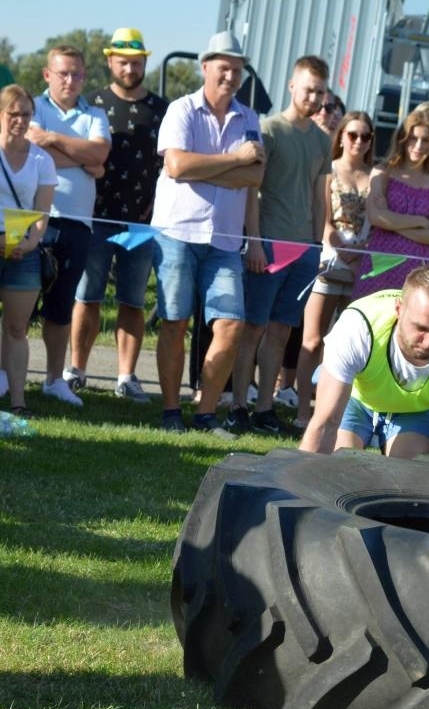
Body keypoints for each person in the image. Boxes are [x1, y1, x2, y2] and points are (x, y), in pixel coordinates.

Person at [151, 31, 265, 434]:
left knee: (231, 325)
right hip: (177, 232)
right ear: (205, 67)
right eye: (224, 68)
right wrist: (232, 161)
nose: (231, 76)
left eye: (237, 69)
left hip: (226, 241)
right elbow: (177, 168)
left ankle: (204, 412)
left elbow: (254, 176)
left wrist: (217, 169)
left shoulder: (249, 118)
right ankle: (170, 412)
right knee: (174, 322)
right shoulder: (181, 110)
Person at [64, 28, 168, 401]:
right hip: (93, 216)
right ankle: (76, 369)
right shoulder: (90, 104)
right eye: (123, 61)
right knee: (87, 297)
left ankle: (126, 375)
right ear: (110, 61)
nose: (129, 68)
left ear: (144, 62)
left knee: (133, 301)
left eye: (136, 62)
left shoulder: (161, 109)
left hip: (141, 221)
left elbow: (167, 164)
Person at [230, 55, 331, 435]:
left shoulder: (323, 140)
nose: (314, 97)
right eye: (308, 89)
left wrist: (317, 246)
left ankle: (265, 408)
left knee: (281, 331)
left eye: (320, 92)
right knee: (252, 327)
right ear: (292, 86)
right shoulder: (268, 129)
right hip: (268, 244)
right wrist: (254, 243)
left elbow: (319, 198)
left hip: (303, 250)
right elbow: (252, 192)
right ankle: (238, 404)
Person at [298, 263, 429, 462]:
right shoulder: (358, 327)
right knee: (342, 464)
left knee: (410, 475)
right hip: (355, 398)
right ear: (399, 308)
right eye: (420, 328)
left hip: (415, 411)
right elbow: (325, 424)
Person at [28, 45, 111, 407]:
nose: (70, 80)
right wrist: (82, 158)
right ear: (48, 75)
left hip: (78, 224)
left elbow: (100, 155)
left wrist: (52, 140)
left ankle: (53, 380)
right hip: (33, 218)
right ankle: (5, 373)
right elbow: (31, 151)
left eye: (77, 74)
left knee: (61, 306)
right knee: (20, 301)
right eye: (63, 73)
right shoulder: (32, 107)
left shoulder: (95, 114)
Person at [293, 111, 373, 430]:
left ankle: (337, 414)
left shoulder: (375, 175)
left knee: (347, 345)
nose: (358, 141)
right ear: (340, 136)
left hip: (360, 264)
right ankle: (302, 410)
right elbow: (322, 217)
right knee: (312, 340)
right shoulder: (329, 171)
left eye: (365, 136)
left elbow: (375, 220)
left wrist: (360, 251)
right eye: (352, 134)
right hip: (327, 260)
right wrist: (338, 244)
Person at [0, 85, 56, 414]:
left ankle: (18, 401)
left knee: (17, 328)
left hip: (24, 253)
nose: (20, 120)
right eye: (13, 114)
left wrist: (29, 243)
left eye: (26, 114)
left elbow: (42, 213)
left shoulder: (41, 159)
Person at [352, 109, 429, 301]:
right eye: (413, 138)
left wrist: (393, 224)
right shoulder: (382, 173)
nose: (418, 145)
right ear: (403, 139)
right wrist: (419, 220)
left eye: (425, 140)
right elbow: (376, 217)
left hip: (417, 272)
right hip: (378, 264)